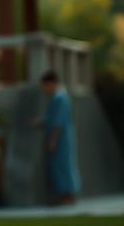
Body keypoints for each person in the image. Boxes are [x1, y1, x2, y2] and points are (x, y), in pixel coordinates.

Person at [38, 70, 81, 205]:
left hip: (61, 138)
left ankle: (67, 194)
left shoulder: (60, 98)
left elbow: (58, 122)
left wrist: (53, 140)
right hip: (60, 137)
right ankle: (63, 194)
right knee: (60, 165)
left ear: (51, 83)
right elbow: (51, 118)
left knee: (63, 165)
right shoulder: (57, 98)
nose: (44, 89)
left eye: (45, 86)